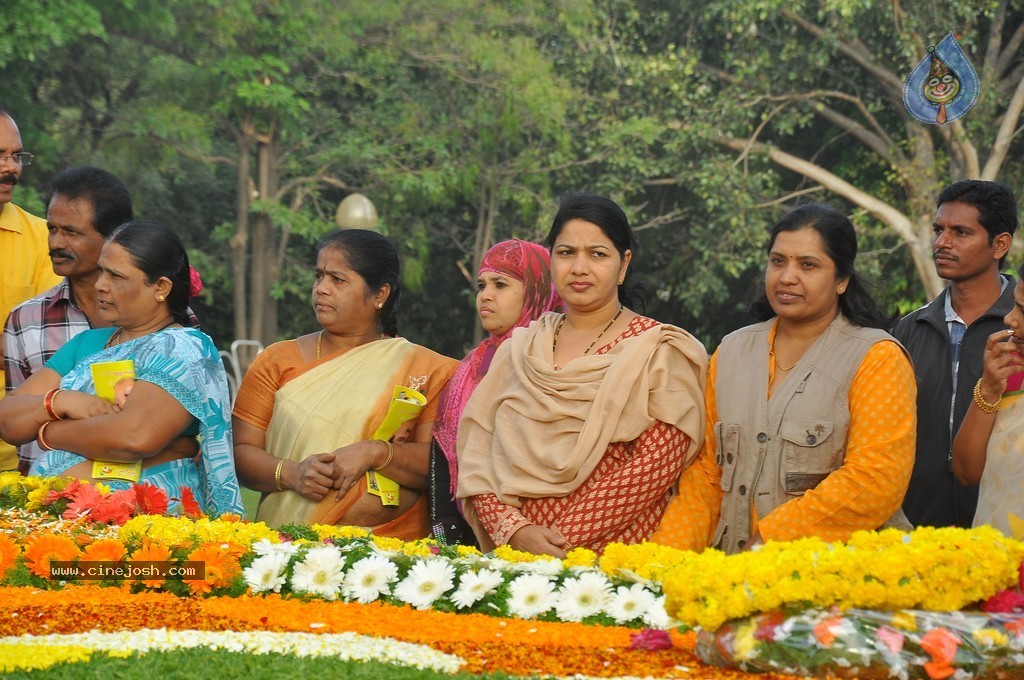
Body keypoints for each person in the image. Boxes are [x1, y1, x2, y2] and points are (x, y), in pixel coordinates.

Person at [456, 193, 708, 556]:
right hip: (518, 559)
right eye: (566, 252)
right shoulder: (520, 350)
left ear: (623, 266)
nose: (579, 267)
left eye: (598, 254)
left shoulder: (660, 350)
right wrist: (515, 532)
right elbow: (478, 455)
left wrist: (559, 541)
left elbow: (655, 465)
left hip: (618, 559)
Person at [679, 204, 916, 555]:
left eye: (808, 265)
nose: (787, 277)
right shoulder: (731, 351)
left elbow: (875, 481)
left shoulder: (877, 357)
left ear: (842, 280)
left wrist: (772, 539)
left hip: (835, 576)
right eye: (777, 261)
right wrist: (664, 567)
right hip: (728, 570)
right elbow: (705, 478)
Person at [0, 220, 242, 516]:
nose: (100, 284)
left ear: (161, 288)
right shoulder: (87, 343)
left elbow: (132, 438)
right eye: (102, 270)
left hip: (150, 530)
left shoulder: (182, 349)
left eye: (116, 275)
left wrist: (47, 431)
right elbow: (8, 419)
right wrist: (61, 401)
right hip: (64, 525)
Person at [232, 228, 459, 537]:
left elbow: (440, 466)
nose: (321, 289)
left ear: (380, 294)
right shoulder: (276, 361)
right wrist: (292, 473)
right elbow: (241, 451)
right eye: (319, 276)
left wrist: (376, 453)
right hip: (285, 549)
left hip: (392, 555)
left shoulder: (428, 369)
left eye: (337, 280)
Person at [893, 180, 1018, 528]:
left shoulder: (1019, 330)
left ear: (1000, 244)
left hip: (1005, 531)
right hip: (919, 531)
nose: (941, 242)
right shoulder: (908, 331)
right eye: (938, 230)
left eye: (960, 232)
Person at [428, 239, 563, 546]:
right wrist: (446, 537)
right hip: (468, 538)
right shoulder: (469, 370)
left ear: (536, 290)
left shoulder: (559, 363)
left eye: (500, 284)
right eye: (482, 285)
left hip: (548, 537)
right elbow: (441, 455)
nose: (485, 296)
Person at [5, 166, 134, 472]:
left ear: (115, 236)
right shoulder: (26, 320)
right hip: (46, 503)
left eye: (72, 232)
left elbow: (181, 423)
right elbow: (14, 424)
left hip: (145, 498)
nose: (55, 243)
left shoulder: (160, 319)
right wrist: (59, 402)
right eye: (52, 229)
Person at [0, 109, 62, 470]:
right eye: (0, 156)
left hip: (14, 456)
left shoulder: (45, 239)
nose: (12, 168)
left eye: (16, 155)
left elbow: (44, 349)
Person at [951, 261, 1024, 537]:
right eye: (1015, 305)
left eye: (1023, 311)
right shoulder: (1010, 372)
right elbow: (967, 472)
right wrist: (989, 390)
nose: (1010, 319)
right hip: (997, 566)